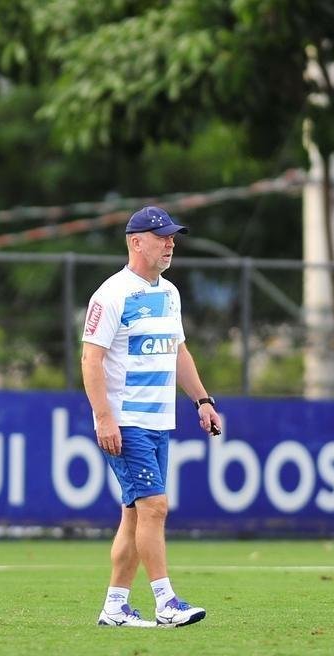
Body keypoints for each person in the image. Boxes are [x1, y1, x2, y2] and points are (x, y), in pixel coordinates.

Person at [80, 206, 222, 628]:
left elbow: (178, 352)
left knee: (135, 514)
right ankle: (166, 602)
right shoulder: (112, 294)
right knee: (155, 507)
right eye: (161, 237)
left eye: (172, 237)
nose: (170, 243)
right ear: (136, 242)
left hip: (160, 421)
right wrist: (104, 418)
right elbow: (91, 359)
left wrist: (202, 400)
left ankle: (115, 607)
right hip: (126, 422)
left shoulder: (171, 293)